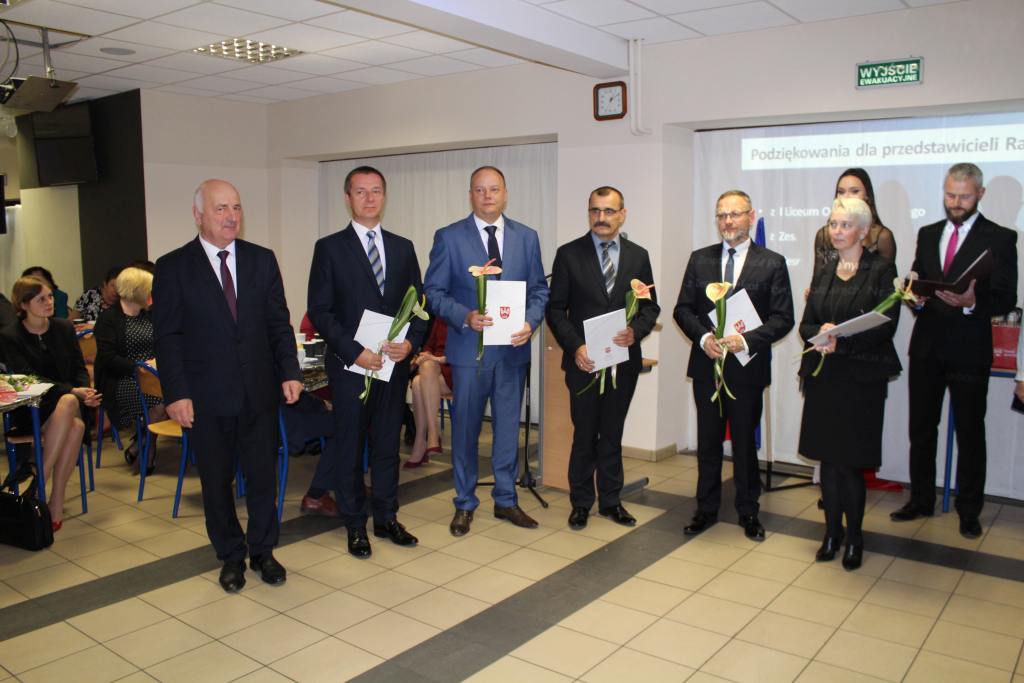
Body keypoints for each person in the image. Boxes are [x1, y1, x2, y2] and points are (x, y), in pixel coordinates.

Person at [153, 179, 303, 592]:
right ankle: (231, 555)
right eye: (220, 208)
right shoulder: (173, 267)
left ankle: (264, 550)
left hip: (259, 390)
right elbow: (167, 338)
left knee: (262, 477)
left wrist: (290, 371)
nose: (231, 216)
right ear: (198, 215)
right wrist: (176, 393)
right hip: (205, 395)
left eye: (236, 207)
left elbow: (279, 323)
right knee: (216, 482)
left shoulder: (261, 259)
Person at [890, 163, 1018, 538]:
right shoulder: (929, 233)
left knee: (970, 433)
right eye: (950, 195)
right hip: (927, 346)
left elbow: (1005, 297)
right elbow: (919, 278)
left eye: (963, 196)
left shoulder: (1000, 237)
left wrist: (971, 302)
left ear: (980, 194)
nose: (955, 203)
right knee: (921, 429)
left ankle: (969, 510)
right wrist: (913, 297)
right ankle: (921, 499)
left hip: (969, 348)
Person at [307, 166, 426, 558]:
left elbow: (419, 305)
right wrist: (354, 350)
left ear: (384, 196)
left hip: (392, 365)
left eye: (376, 190)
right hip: (351, 366)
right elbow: (320, 310)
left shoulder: (403, 247)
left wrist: (410, 344)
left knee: (387, 445)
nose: (369, 198)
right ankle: (355, 524)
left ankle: (387, 517)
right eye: (361, 191)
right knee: (349, 446)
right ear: (348, 198)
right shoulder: (329, 248)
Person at [424, 166, 550, 537]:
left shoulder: (527, 237)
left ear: (505, 193)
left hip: (512, 352)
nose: (487, 196)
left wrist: (530, 322)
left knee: (508, 430)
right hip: (469, 353)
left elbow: (539, 290)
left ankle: (506, 499)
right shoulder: (449, 237)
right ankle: (464, 503)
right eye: (480, 190)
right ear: (471, 195)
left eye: (494, 189)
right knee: (466, 430)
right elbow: (433, 292)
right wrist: (464, 316)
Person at [673, 190, 794, 541]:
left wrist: (746, 340)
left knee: (743, 444)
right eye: (721, 215)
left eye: (735, 214)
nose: (728, 221)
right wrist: (703, 339)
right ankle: (705, 509)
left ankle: (748, 511)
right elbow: (682, 309)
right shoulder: (699, 259)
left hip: (747, 368)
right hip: (706, 366)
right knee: (708, 443)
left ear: (750, 217)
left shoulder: (772, 262)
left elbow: (784, 318)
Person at [546, 186, 660, 530]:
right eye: (595, 210)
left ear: (622, 214)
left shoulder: (638, 256)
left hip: (622, 361)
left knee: (612, 434)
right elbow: (555, 310)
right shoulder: (569, 254)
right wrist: (576, 347)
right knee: (584, 435)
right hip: (584, 363)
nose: (601, 217)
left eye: (609, 211)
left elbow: (650, 306)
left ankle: (611, 501)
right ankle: (581, 503)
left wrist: (635, 331)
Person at [798, 198, 901, 570]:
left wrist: (842, 341)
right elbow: (805, 325)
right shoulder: (824, 270)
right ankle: (831, 534)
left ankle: (855, 537)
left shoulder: (881, 270)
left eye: (844, 225)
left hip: (860, 380)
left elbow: (885, 325)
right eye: (833, 224)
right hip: (824, 377)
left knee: (850, 464)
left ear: (863, 230)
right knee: (828, 461)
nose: (836, 231)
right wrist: (821, 332)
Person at [0, 276, 101, 531]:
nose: (49, 302)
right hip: (31, 406)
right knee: (76, 426)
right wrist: (74, 391)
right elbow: (27, 378)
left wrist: (85, 391)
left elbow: (78, 367)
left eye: (49, 297)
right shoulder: (10, 336)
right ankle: (53, 496)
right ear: (24, 305)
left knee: (70, 407)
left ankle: (40, 487)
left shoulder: (63, 328)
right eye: (41, 299)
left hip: (68, 403)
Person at [93, 266, 165, 471]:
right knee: (163, 402)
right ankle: (148, 446)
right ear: (137, 291)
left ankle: (141, 441)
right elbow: (108, 358)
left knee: (174, 393)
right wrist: (139, 368)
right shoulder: (109, 319)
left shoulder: (149, 315)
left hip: (153, 376)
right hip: (122, 379)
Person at [811, 168, 896, 278]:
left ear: (867, 196)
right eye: (841, 192)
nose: (846, 197)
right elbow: (817, 281)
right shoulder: (824, 235)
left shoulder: (882, 237)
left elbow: (886, 282)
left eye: (854, 191)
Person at [405, 317, 452, 469]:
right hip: (434, 373)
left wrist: (436, 359)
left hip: (456, 370)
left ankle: (425, 439)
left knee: (425, 370)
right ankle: (429, 436)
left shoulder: (466, 317)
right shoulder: (441, 317)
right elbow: (428, 347)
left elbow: (466, 353)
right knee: (418, 381)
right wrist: (420, 358)